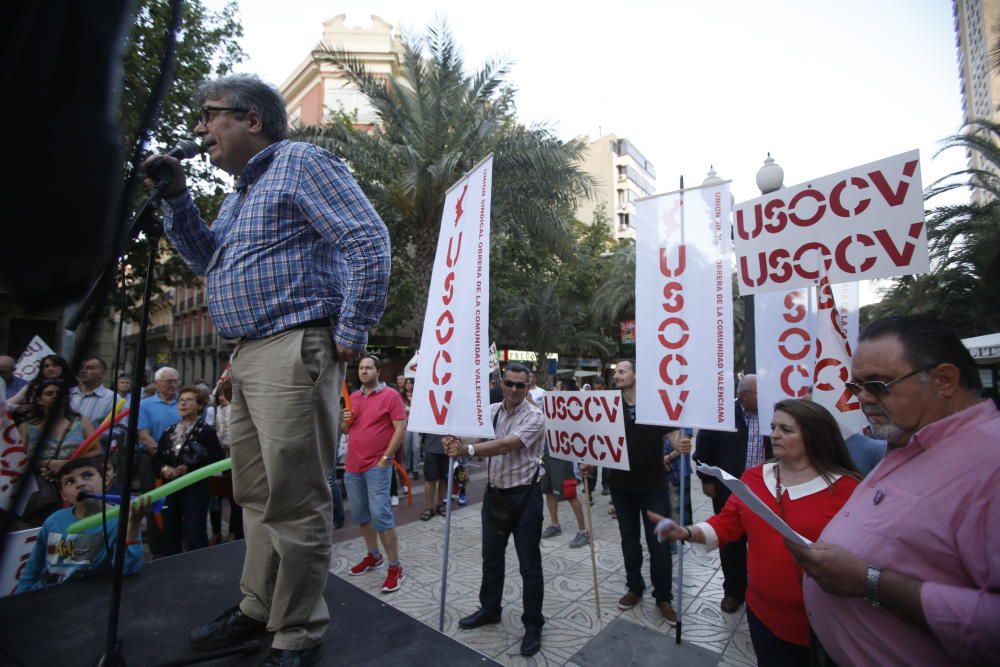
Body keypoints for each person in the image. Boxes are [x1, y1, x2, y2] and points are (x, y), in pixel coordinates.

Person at [144, 73, 390, 666]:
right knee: (255, 496)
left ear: (251, 120)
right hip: (251, 354)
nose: (200, 129)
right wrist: (177, 198)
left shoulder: (300, 162)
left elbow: (368, 241)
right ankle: (260, 608)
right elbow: (208, 259)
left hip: (294, 346)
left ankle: (299, 631)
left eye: (209, 115)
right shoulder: (238, 196)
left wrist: (350, 334)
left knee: (297, 500)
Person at [787, 317, 1000, 666]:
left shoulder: (990, 463)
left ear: (944, 380)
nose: (863, 400)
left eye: (878, 385)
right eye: (856, 387)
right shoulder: (908, 438)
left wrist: (870, 582)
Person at [655, 399, 861, 666]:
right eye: (773, 427)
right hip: (762, 612)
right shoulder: (753, 478)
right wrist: (685, 532)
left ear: (815, 435)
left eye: (786, 430)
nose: (774, 434)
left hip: (823, 623)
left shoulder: (848, 489)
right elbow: (727, 525)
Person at [444, 363, 546, 658]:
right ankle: (490, 609)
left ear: (529, 386)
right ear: (501, 383)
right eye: (510, 383)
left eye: (520, 385)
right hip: (495, 497)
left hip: (526, 498)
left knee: (530, 566)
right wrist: (455, 442)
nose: (514, 390)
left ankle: (533, 625)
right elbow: (473, 438)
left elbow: (504, 445)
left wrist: (468, 451)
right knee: (491, 559)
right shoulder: (491, 412)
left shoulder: (535, 417)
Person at [582, 359, 677, 624]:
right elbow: (599, 438)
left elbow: (674, 439)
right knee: (629, 539)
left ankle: (664, 597)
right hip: (621, 487)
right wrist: (589, 460)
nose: (617, 376)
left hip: (654, 487)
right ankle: (634, 587)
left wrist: (681, 443)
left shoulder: (656, 404)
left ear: (637, 374)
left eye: (622, 371)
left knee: (659, 543)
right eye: (616, 372)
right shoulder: (609, 404)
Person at [694, 373, 771, 614]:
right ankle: (734, 592)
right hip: (730, 490)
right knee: (731, 542)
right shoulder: (721, 413)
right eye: (760, 393)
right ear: (743, 396)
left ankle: (762, 590)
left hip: (765, 490)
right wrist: (707, 479)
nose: (766, 397)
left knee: (764, 542)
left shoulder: (771, 414)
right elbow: (703, 448)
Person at [16, 457, 149, 593]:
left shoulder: (122, 519)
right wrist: (21, 596)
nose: (79, 484)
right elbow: (33, 567)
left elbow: (127, 569)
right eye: (70, 481)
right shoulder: (54, 521)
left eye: (87, 475)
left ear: (105, 480)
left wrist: (133, 525)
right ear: (63, 495)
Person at [341, 355, 407, 592]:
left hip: (377, 466)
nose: (364, 371)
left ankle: (395, 566)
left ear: (378, 370)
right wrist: (345, 421)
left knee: (380, 514)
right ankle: (373, 555)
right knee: (361, 515)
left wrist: (386, 458)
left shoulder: (391, 396)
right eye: (360, 368)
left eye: (368, 367)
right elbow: (345, 429)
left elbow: (400, 427)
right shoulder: (354, 397)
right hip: (352, 466)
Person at [155, 385, 224, 554]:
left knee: (195, 530)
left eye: (189, 400)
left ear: (200, 406)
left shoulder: (206, 431)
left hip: (195, 488)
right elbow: (157, 458)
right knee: (170, 530)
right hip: (171, 487)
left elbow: (217, 458)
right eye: (181, 401)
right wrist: (164, 469)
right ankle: (171, 566)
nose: (183, 404)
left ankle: (197, 566)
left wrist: (190, 468)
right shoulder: (169, 431)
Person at [18, 379, 96, 525]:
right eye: (49, 393)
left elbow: (97, 451)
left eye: (59, 394)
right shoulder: (26, 426)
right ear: (39, 400)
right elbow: (18, 459)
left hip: (75, 487)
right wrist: (48, 463)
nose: (55, 396)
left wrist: (72, 463)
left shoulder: (81, 422)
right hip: (39, 491)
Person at [209, 377, 243, 543]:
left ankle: (233, 531)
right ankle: (218, 531)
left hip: (232, 458)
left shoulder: (233, 410)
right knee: (217, 498)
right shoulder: (218, 410)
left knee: (233, 497)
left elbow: (228, 436)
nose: (221, 397)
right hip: (220, 458)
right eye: (220, 394)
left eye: (225, 394)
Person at [540, 452, 589, 548]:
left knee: (570, 493)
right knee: (548, 490)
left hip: (563, 454)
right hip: (545, 455)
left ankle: (583, 532)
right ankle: (555, 526)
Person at [69, 357, 116, 426]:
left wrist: (92, 434)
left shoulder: (112, 399)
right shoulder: (67, 393)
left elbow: (118, 429)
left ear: (102, 373)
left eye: (89, 368)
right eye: (81, 368)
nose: (83, 371)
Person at [419, 433, 449, 520]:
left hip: (446, 449)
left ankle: (440, 505)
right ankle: (429, 508)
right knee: (429, 479)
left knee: (443, 479)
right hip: (431, 448)